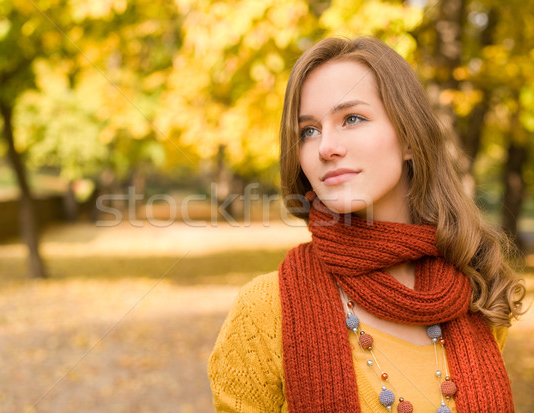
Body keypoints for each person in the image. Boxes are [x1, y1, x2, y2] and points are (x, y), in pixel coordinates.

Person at [207, 36, 526, 413]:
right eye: (308, 130)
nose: (326, 147)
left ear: (409, 138)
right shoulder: (264, 311)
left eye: (352, 119)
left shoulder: (473, 294)